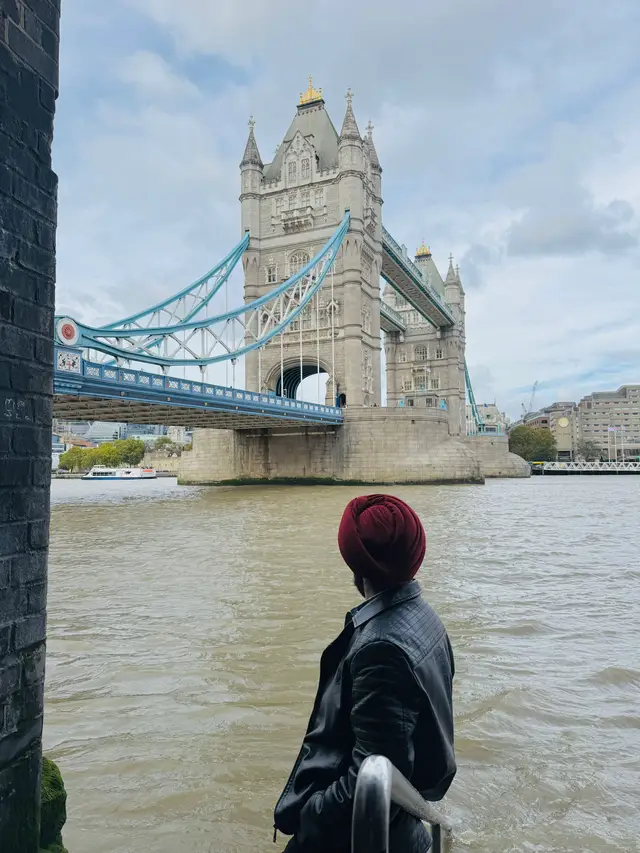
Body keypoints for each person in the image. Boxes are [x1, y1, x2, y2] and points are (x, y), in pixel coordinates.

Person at [273, 494, 456, 852]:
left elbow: (374, 778)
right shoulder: (424, 618)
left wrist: (310, 814)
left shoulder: (381, 648)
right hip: (407, 826)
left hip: (359, 837)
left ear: (352, 560)